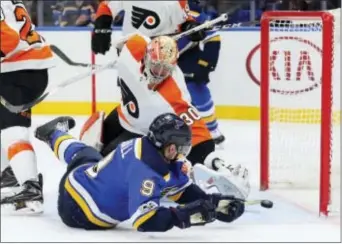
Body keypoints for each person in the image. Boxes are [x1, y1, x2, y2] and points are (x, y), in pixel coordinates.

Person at [80, 33, 250, 199]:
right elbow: (128, 40)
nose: (159, 74)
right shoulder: (133, 48)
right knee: (90, 141)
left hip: (140, 133)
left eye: (165, 69)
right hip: (122, 115)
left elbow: (199, 133)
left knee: (108, 167)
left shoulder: (175, 95)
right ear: (146, 56)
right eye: (156, 66)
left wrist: (214, 160)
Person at [34, 114, 245, 231]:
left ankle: (54, 134)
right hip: (78, 209)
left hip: (87, 178)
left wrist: (212, 204)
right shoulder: (145, 172)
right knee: (84, 155)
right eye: (182, 147)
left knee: (85, 154)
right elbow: (145, 221)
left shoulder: (149, 148)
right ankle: (54, 133)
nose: (184, 153)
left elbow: (180, 191)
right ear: (170, 147)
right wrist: (188, 214)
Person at [0, 0, 55, 213]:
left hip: (18, 71)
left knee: (12, 131)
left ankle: (30, 186)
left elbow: (7, 39)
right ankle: (11, 172)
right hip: (27, 69)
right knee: (4, 124)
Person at [178, 3, 225, 146]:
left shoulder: (192, 11)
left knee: (197, 91)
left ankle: (212, 129)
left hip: (187, 58)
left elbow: (213, 38)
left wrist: (205, 64)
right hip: (161, 57)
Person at [91, 0, 206, 55]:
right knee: (130, 94)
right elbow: (107, 6)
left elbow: (183, 22)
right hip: (131, 49)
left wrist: (191, 27)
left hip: (162, 52)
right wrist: (102, 29)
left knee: (161, 95)